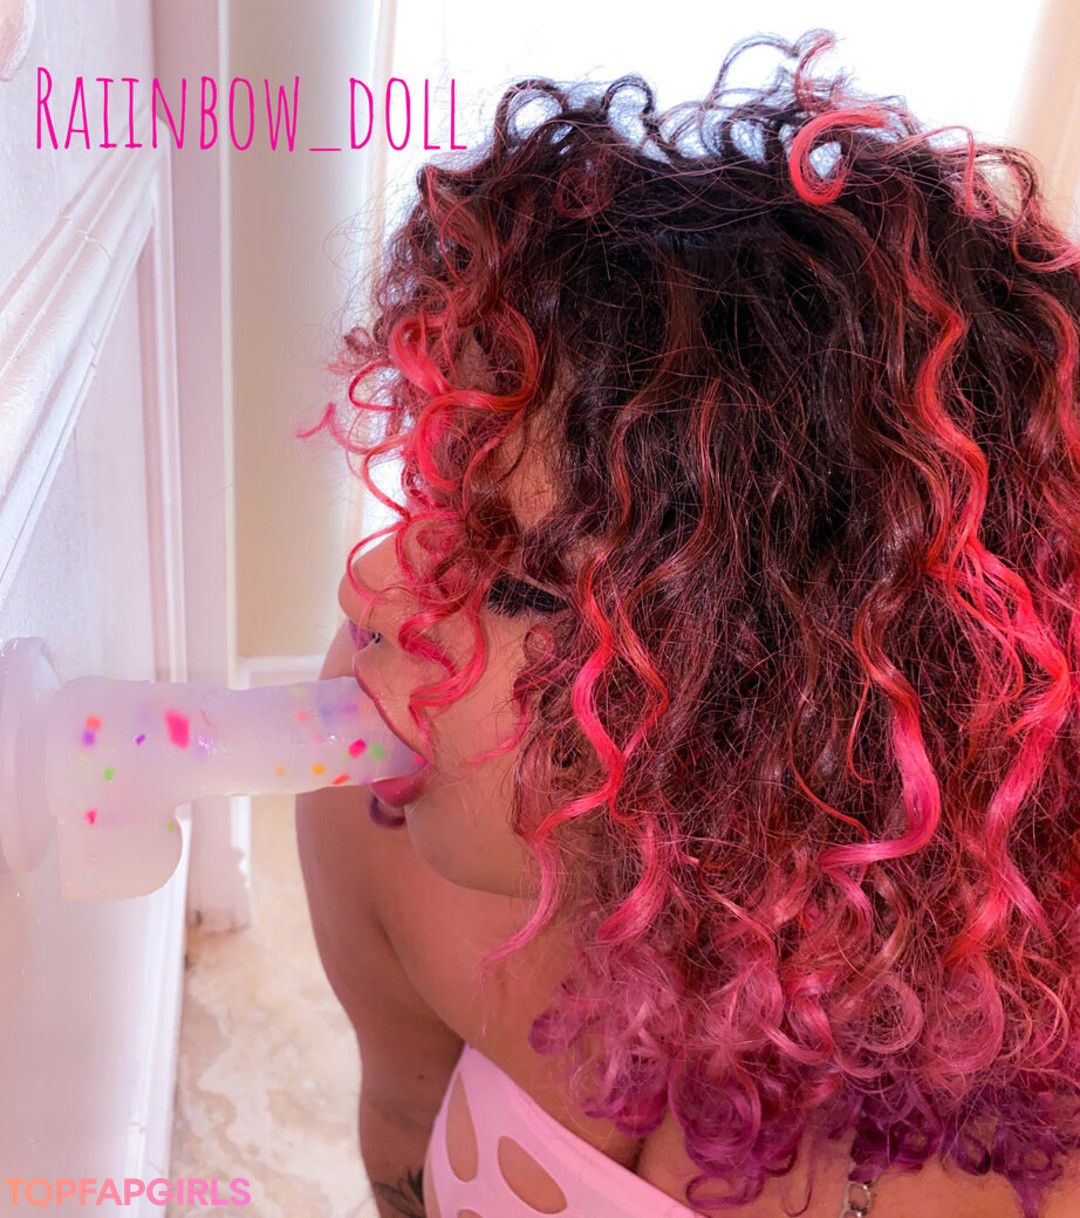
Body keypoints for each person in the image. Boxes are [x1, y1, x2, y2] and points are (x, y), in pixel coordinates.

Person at [295, 27, 1080, 1218]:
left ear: (774, 720)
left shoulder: (1031, 1099)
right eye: (438, 495)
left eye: (521, 583)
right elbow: (403, 1122)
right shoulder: (389, 824)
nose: (372, 592)